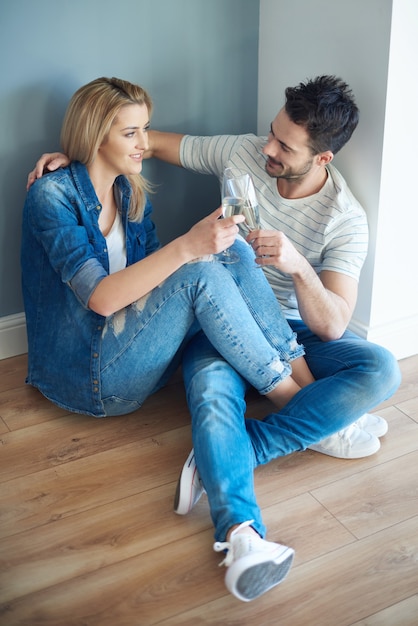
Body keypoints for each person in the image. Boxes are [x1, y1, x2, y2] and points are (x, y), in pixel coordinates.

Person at [27, 75, 401, 603]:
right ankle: (299, 436)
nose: (266, 149)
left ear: (322, 159)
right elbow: (143, 149)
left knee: (384, 368)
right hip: (143, 347)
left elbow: (335, 324)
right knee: (219, 284)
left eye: (283, 146)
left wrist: (296, 265)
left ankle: (238, 485)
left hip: (286, 330)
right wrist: (69, 158)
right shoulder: (237, 154)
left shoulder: (345, 219)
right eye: (270, 135)